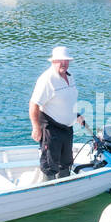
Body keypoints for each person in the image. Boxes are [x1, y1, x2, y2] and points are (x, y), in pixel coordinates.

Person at [29, 46, 86, 180]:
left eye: (66, 61)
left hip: (67, 129)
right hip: (51, 129)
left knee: (66, 162)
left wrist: (76, 115)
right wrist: (36, 128)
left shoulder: (69, 76)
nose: (64, 64)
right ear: (53, 61)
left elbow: (67, 100)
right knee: (50, 164)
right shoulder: (46, 80)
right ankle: (47, 191)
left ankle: (64, 188)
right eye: (60, 61)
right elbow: (34, 104)